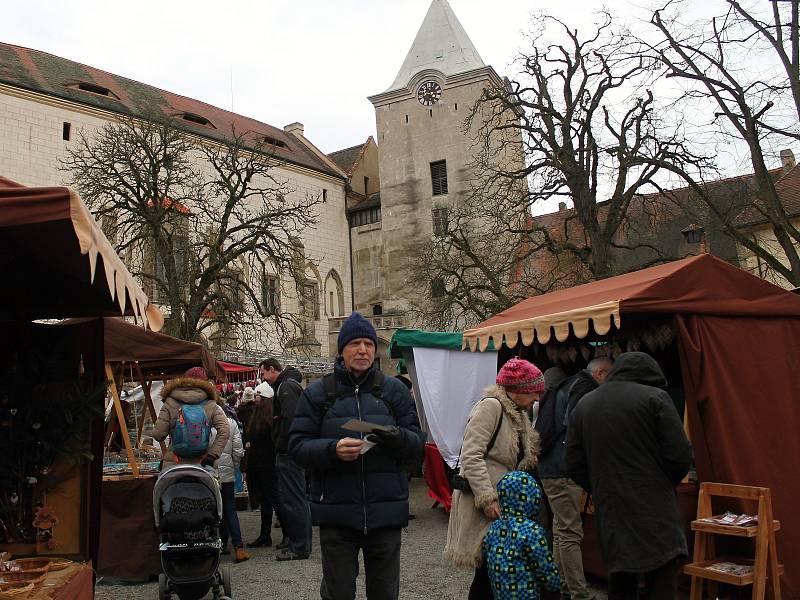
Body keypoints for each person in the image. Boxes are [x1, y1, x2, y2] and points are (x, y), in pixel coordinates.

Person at [289, 312, 425, 600]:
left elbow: (417, 445)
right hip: (337, 513)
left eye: (368, 344)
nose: (362, 350)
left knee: (385, 593)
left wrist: (396, 438)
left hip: (385, 512)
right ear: (342, 350)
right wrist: (332, 450)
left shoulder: (394, 391)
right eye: (355, 344)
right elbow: (297, 447)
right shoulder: (318, 393)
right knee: (338, 593)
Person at [565, 352, 693, 600]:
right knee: (660, 582)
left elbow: (573, 462)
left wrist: (601, 486)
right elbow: (680, 456)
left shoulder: (585, 404)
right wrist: (660, 483)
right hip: (655, 511)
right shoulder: (656, 398)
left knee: (621, 583)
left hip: (612, 510)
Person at [443, 357, 543, 600]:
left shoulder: (516, 412)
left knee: (496, 568)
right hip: (486, 502)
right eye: (533, 392)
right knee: (489, 569)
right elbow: (471, 454)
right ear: (516, 390)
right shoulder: (491, 407)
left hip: (503, 502)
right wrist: (487, 498)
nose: (537, 399)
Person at [536, 357, 612, 600]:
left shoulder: (568, 386)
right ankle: (579, 593)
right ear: (600, 373)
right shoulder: (582, 389)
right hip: (562, 470)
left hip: (552, 468)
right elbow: (577, 425)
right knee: (570, 532)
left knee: (561, 530)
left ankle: (562, 587)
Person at [259, 357, 312, 561]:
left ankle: (299, 547)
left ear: (273, 370)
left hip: (289, 451)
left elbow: (289, 419)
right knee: (296, 498)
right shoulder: (288, 386)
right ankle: (300, 543)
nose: (263, 378)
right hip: (292, 449)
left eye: (263, 373)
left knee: (295, 499)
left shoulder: (286, 388)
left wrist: (281, 444)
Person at [482, 471, 560, 600]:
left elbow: (485, 553)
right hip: (527, 594)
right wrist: (554, 587)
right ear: (533, 498)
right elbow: (544, 565)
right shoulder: (532, 531)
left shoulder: (494, 527)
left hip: (500, 593)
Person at [152, 366, 229, 470]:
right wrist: (212, 455)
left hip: (175, 463)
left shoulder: (170, 402)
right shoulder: (211, 404)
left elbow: (158, 435)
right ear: (205, 383)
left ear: (183, 380)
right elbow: (225, 430)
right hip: (203, 464)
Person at [242, 381, 283, 548]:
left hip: (268, 464)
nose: (255, 399)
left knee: (275, 500)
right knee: (266, 501)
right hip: (259, 464)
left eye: (258, 396)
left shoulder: (270, 418)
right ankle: (265, 536)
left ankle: (288, 534)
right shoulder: (257, 415)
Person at [215, 408, 249, 563]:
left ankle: (218, 544)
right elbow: (237, 450)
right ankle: (238, 546)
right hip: (227, 472)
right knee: (229, 508)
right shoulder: (231, 423)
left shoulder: (202, 422)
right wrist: (234, 467)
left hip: (207, 472)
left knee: (212, 508)